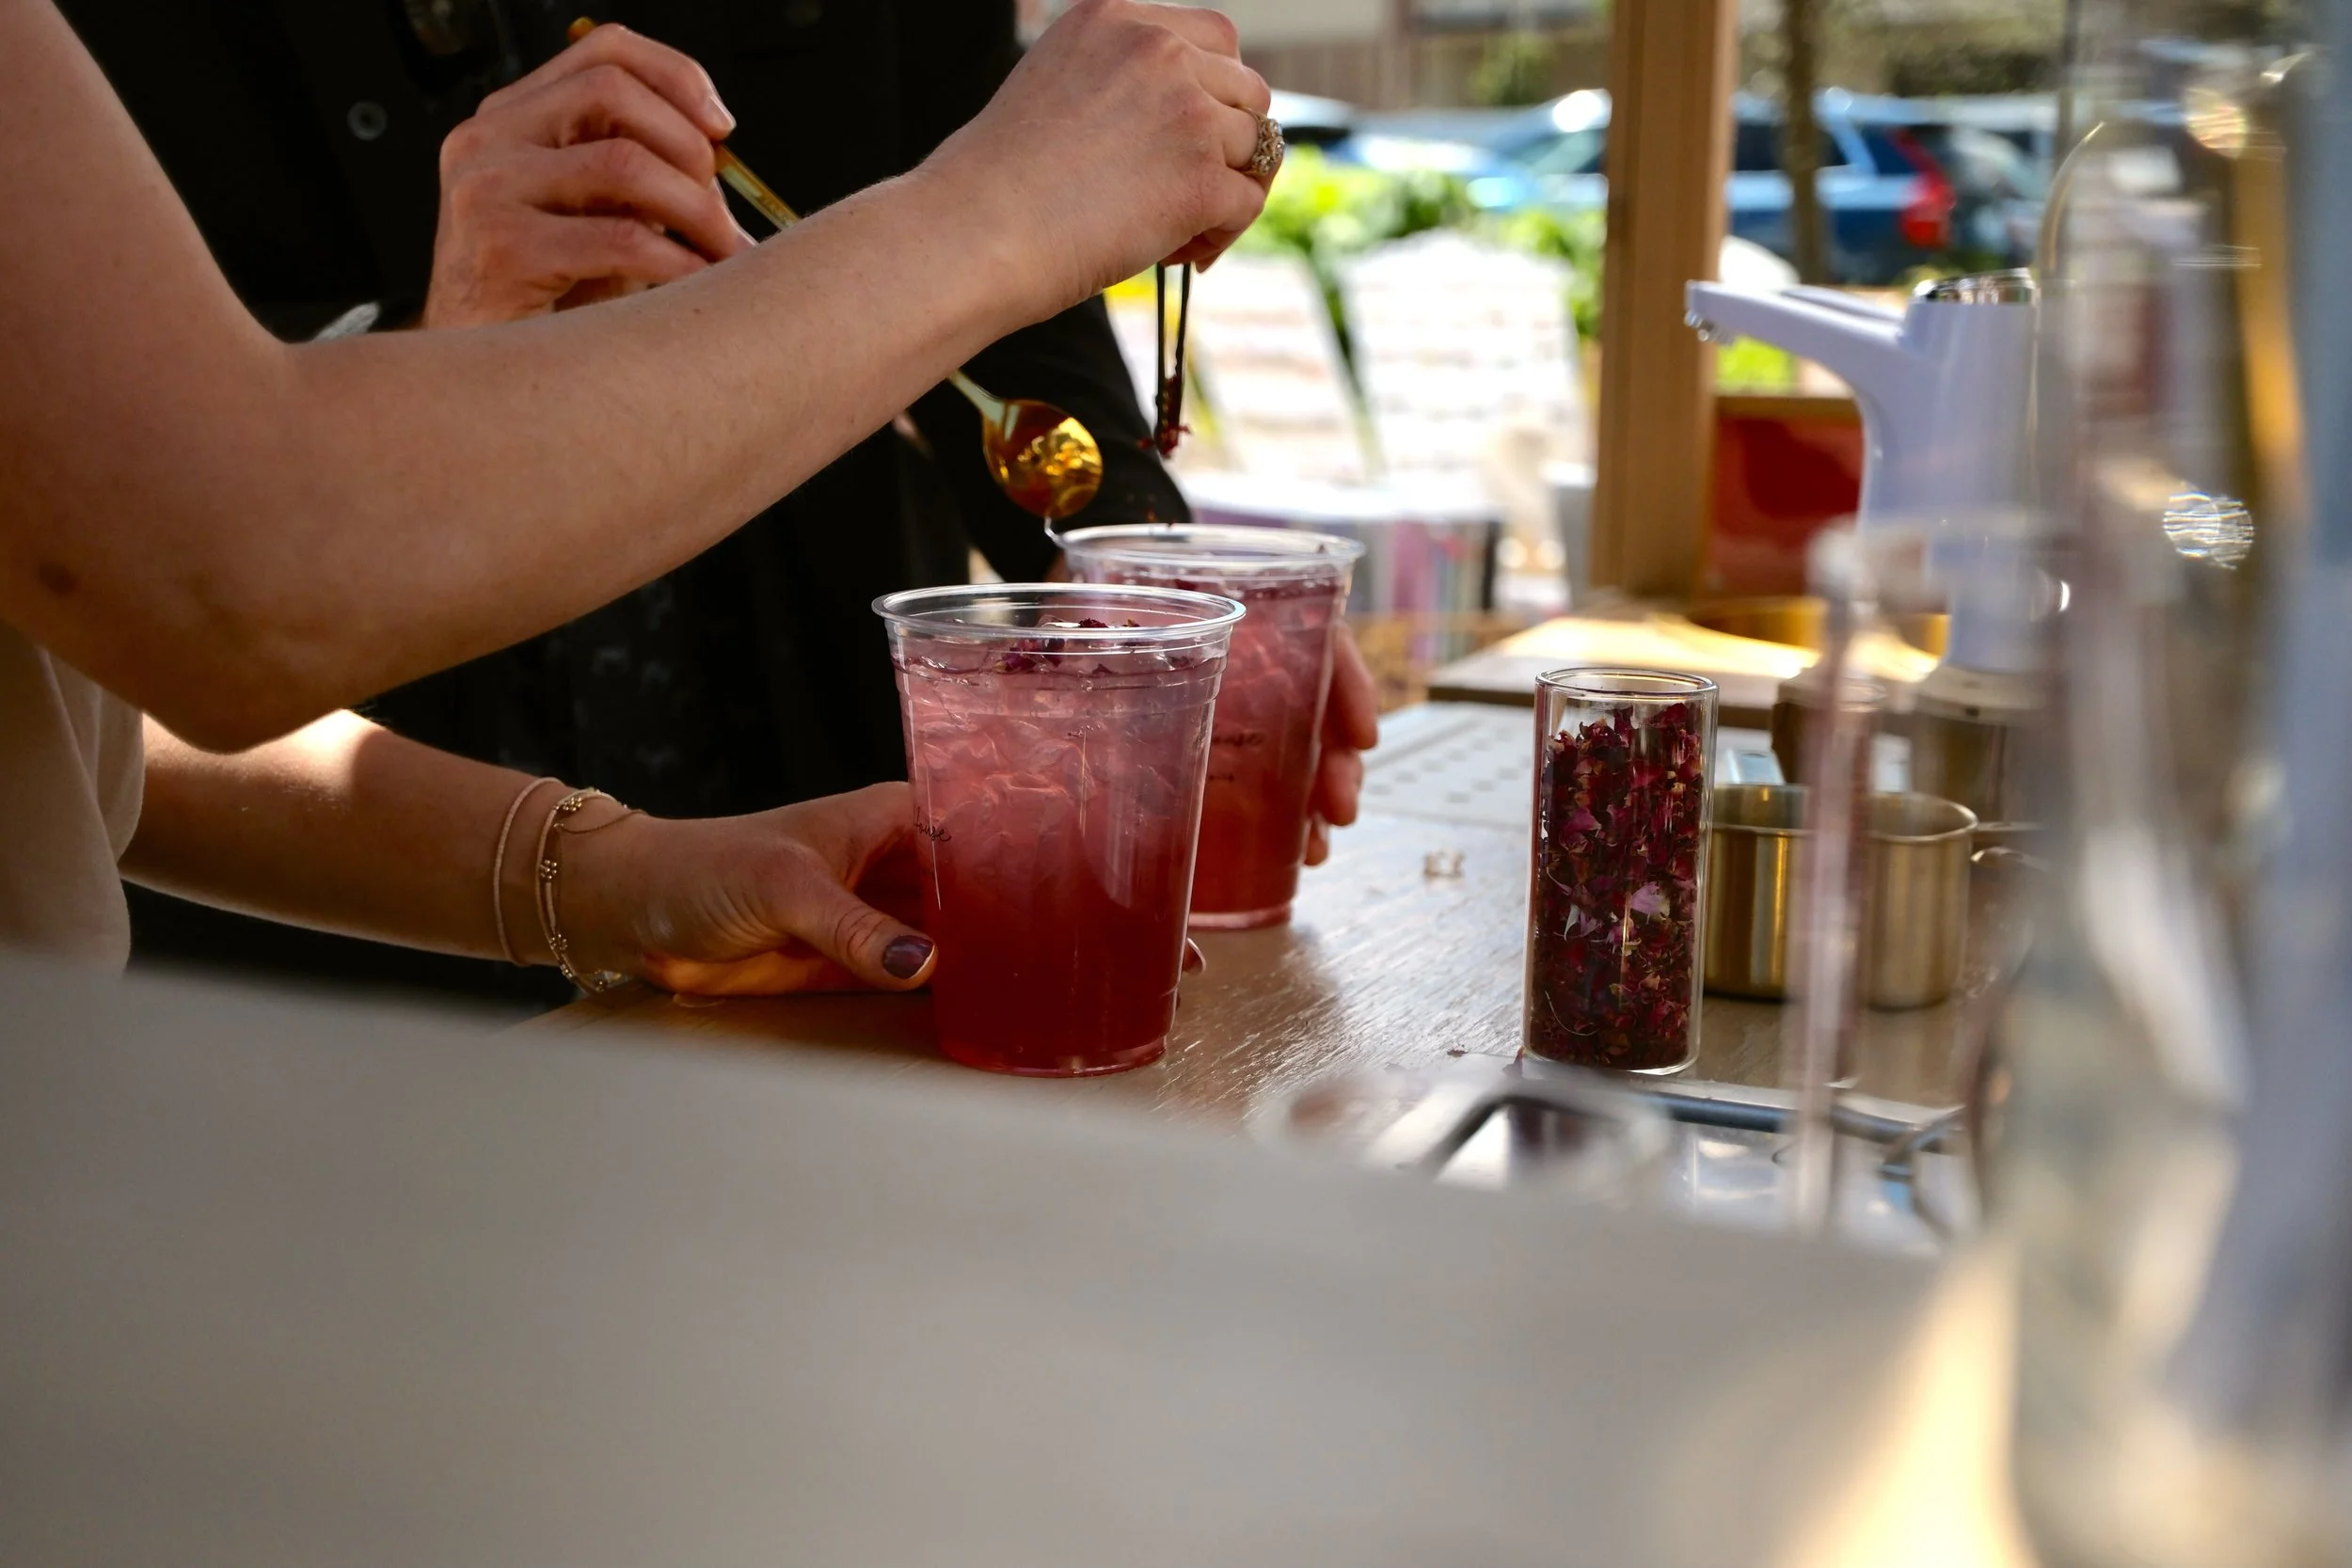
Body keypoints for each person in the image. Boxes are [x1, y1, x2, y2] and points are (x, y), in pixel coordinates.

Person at [79, 0, 1376, 1009]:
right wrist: (997, 212)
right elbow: (178, 576)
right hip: (306, 980)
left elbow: (1010, 308)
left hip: (779, 836)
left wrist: (1140, 573)